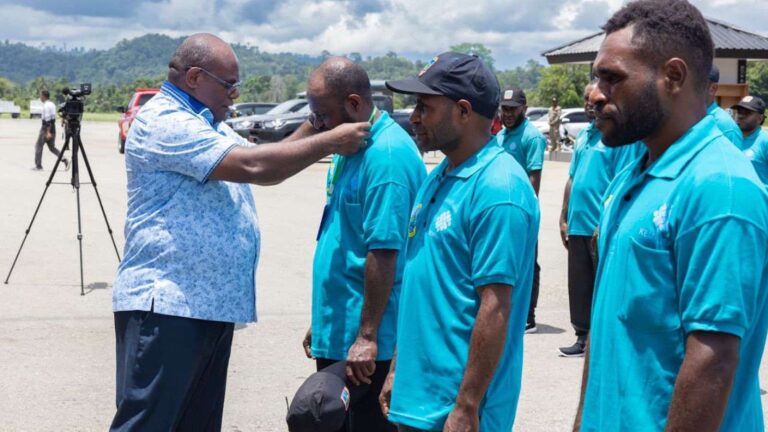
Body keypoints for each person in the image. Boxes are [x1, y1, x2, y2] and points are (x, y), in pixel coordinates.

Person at [110, 33, 370, 431]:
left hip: (205, 306)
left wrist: (318, 117)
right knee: (149, 423)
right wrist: (331, 139)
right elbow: (254, 167)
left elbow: (275, 155)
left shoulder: (206, 123)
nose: (234, 94)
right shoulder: (166, 120)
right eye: (229, 85)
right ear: (195, 77)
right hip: (168, 306)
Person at [575, 1, 768, 431]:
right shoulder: (633, 174)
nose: (595, 92)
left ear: (673, 76)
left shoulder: (720, 188)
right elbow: (611, 327)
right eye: (596, 77)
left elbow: (712, 361)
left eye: (613, 78)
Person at [380, 52, 540, 432]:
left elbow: (495, 306)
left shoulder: (499, 188)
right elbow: (421, 289)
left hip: (456, 411)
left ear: (464, 111)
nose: (414, 117)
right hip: (417, 399)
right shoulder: (440, 177)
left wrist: (467, 406)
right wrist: (397, 370)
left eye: (424, 106)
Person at [301, 57, 426, 432]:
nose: (317, 126)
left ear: (354, 104)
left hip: (370, 344)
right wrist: (326, 317)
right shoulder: (350, 147)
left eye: (322, 115)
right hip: (343, 327)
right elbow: (345, 237)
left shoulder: (385, 157)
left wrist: (367, 336)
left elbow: (385, 252)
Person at [557, 82, 642, 357]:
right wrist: (563, 215)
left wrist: (604, 221)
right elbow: (572, 178)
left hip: (599, 225)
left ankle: (601, 340)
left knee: (602, 283)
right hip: (578, 223)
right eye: (586, 99)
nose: (589, 104)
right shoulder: (583, 137)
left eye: (595, 100)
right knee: (579, 283)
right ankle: (582, 336)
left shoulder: (616, 139)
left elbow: (621, 181)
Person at [496, 87, 546, 333]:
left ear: (524, 109)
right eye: (504, 109)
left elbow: (534, 179)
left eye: (512, 109)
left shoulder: (532, 137)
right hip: (501, 210)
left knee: (528, 262)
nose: (507, 114)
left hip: (521, 211)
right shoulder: (501, 136)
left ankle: (529, 315)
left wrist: (524, 211)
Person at [705, 65, 743, 149]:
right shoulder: (688, 118)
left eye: (696, 83)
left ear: (712, 88)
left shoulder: (725, 126)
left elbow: (733, 161)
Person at [736, 96, 768, 187]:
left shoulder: (765, 141)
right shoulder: (732, 138)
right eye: (739, 112)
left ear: (760, 118)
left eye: (747, 113)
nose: (740, 116)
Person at [33, 90, 68, 171]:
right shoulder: (52, 104)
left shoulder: (46, 106)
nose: (40, 97)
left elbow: (48, 120)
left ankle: (38, 166)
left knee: (38, 146)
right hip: (53, 127)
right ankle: (64, 159)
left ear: (44, 96)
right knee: (52, 148)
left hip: (46, 128)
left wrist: (48, 132)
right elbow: (53, 117)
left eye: (40, 96)